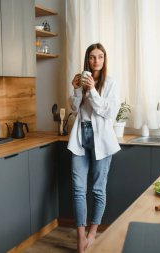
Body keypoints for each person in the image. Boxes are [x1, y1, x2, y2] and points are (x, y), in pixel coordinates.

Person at [68, 43, 121, 252]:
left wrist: (92, 91)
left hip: (102, 140)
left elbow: (109, 112)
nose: (96, 60)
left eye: (100, 57)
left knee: (98, 189)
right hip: (81, 137)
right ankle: (81, 238)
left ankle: (92, 233)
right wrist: (76, 89)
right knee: (78, 189)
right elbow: (74, 109)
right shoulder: (81, 82)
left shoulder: (110, 83)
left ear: (104, 59)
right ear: (87, 60)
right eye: (92, 57)